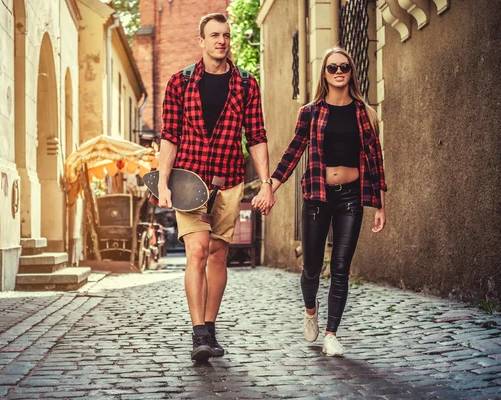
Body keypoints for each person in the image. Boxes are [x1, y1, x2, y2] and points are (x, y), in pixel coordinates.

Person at [256, 47, 387, 357]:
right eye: (332, 67)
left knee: (341, 267)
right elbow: (293, 151)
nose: (338, 71)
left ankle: (331, 333)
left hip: (351, 198)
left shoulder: (363, 112)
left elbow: (375, 158)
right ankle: (310, 310)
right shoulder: (311, 112)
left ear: (351, 71)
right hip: (317, 196)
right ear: (324, 74)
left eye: (343, 66)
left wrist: (380, 204)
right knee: (312, 267)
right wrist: (270, 186)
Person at [158, 12, 274, 362]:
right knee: (196, 251)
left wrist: (266, 183)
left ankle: (209, 327)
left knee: (218, 254)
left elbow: (256, 136)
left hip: (229, 181)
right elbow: (170, 136)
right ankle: (198, 335)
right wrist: (162, 181)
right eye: (214, 35)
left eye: (225, 35)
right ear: (202, 41)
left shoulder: (246, 84)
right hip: (190, 181)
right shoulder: (180, 83)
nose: (221, 40)